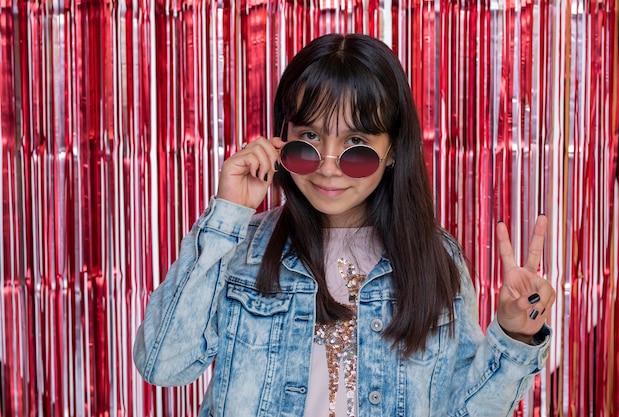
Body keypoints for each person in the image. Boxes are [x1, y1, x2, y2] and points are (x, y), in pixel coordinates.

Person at [133, 33, 555, 416]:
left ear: (392, 152)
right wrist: (227, 214)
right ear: (282, 137)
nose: (329, 167)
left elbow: (464, 410)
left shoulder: (435, 258)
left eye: (357, 145)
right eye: (310, 138)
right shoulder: (242, 247)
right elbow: (163, 364)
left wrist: (514, 336)